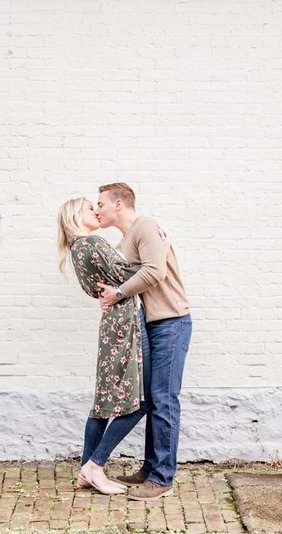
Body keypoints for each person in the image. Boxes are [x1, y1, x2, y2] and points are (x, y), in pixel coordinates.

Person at [95, 183, 192, 502]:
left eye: (101, 204)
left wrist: (118, 293)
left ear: (119, 204)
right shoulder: (126, 239)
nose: (97, 210)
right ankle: (151, 468)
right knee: (151, 398)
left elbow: (154, 271)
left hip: (171, 321)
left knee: (164, 399)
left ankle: (163, 478)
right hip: (151, 325)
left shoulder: (145, 226)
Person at [56, 196, 151, 495]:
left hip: (112, 323)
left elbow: (100, 284)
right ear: (75, 216)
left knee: (103, 404)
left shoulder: (77, 249)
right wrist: (156, 256)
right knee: (139, 401)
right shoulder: (91, 243)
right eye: (89, 208)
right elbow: (132, 274)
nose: (96, 211)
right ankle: (95, 465)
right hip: (123, 324)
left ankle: (87, 470)